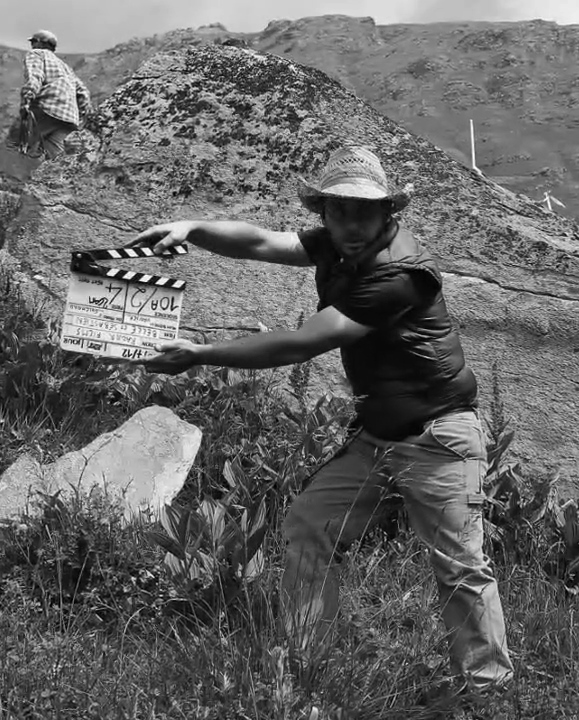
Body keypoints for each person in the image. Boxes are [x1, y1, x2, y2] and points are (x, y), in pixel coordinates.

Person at [130, 146, 514, 691]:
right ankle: (306, 663)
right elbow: (264, 241)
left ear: (390, 215)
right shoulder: (338, 244)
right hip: (377, 434)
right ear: (325, 214)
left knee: (458, 565)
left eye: (364, 213)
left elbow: (304, 343)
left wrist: (199, 352)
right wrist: (191, 227)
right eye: (340, 212)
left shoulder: (401, 276)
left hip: (438, 436)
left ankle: (488, 689)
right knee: (311, 525)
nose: (352, 225)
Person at [9, 30, 91, 160]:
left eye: (33, 42)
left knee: (12, 144)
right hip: (68, 117)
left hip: (46, 108)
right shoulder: (65, 67)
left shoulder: (36, 54)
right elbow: (83, 93)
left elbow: (35, 77)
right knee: (59, 157)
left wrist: (26, 101)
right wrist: (82, 118)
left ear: (40, 43)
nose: (32, 45)